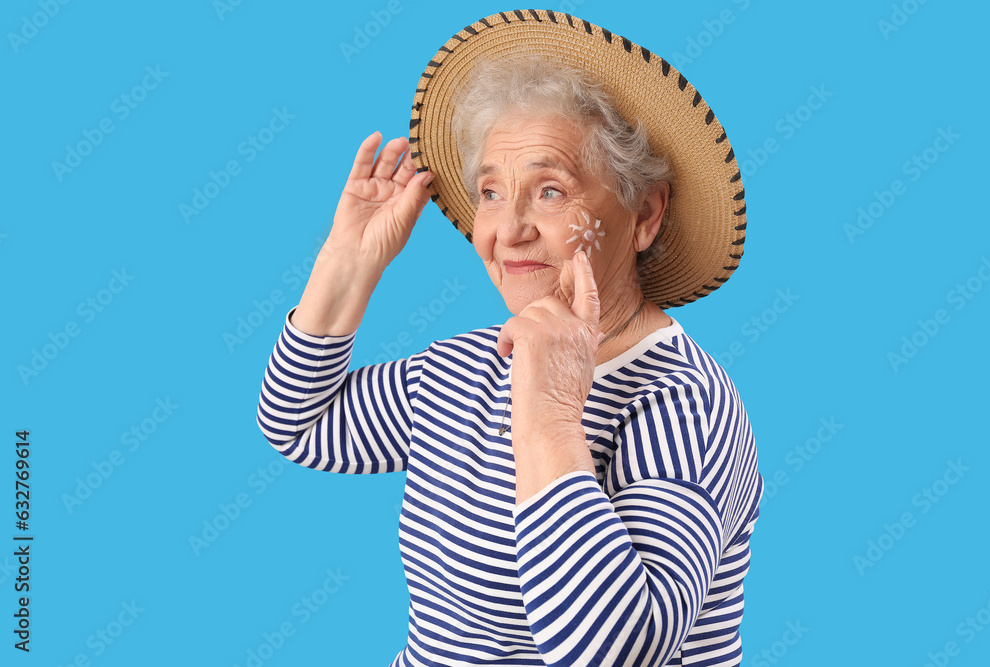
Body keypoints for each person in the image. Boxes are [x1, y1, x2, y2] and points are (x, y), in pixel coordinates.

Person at [257, 10, 761, 667]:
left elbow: (612, 652)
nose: (508, 228)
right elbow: (302, 423)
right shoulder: (464, 365)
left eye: (550, 190)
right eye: (492, 192)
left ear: (644, 213)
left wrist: (550, 415)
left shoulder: (684, 407)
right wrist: (347, 265)